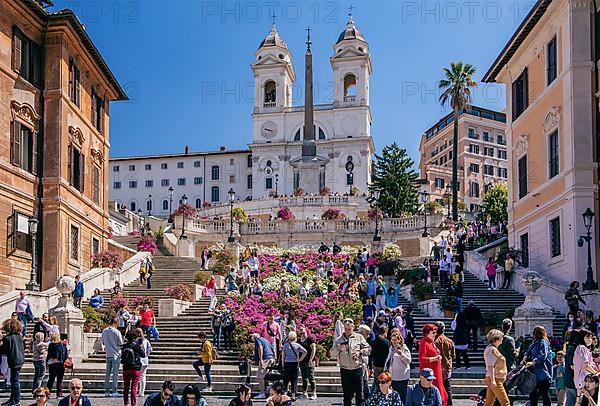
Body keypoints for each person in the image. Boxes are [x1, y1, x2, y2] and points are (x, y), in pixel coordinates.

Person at [330, 318, 371, 406]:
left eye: (349, 329)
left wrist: (359, 352)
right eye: (345, 329)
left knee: (360, 395)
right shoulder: (339, 339)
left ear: (353, 327)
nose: (347, 331)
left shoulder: (359, 337)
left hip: (357, 369)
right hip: (345, 370)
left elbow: (368, 349)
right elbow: (332, 354)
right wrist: (338, 348)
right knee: (347, 395)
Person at [523, 325, 553, 406]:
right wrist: (524, 358)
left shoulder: (543, 342)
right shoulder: (535, 342)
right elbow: (528, 351)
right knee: (533, 395)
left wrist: (533, 362)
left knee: (544, 395)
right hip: (534, 374)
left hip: (543, 374)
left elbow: (542, 355)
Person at [418, 324, 448, 406]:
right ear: (427, 333)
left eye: (435, 332)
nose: (435, 334)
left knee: (441, 392)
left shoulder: (431, 342)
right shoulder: (424, 342)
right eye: (433, 332)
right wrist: (435, 358)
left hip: (437, 371)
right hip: (430, 372)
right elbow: (421, 359)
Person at [1, 318, 24, 406]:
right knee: (14, 380)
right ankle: (12, 399)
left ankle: (16, 400)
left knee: (15, 381)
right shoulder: (19, 336)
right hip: (20, 359)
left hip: (13, 360)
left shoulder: (7, 338)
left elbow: (3, 351)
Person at [483, 329, 510, 406]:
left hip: (496, 378)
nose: (502, 338)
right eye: (501, 337)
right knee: (505, 402)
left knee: (489, 402)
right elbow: (491, 366)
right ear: (497, 338)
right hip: (496, 378)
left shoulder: (492, 349)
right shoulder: (492, 350)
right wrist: (493, 381)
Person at [385, 332, 411, 404]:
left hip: (402, 377)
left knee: (402, 396)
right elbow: (389, 359)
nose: (394, 342)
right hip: (393, 376)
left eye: (395, 340)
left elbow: (408, 360)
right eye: (392, 340)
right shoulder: (391, 348)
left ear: (399, 340)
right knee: (394, 395)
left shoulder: (404, 347)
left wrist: (401, 354)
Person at [121, 330, 146, 406]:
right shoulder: (136, 346)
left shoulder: (124, 346)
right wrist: (141, 347)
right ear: (134, 338)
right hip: (135, 368)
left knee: (126, 387)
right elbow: (143, 355)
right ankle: (133, 404)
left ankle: (126, 403)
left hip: (126, 368)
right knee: (134, 387)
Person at [281, 331, 307, 401]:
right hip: (295, 363)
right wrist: (300, 359)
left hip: (287, 363)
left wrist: (283, 364)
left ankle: (285, 394)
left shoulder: (286, 345)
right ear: (295, 338)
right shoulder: (297, 345)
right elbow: (305, 351)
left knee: (286, 379)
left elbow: (283, 355)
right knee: (294, 380)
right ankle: (293, 395)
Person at [102, 317, 123, 397]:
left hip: (108, 354)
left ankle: (106, 391)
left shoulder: (104, 331)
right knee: (115, 374)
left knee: (107, 374)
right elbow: (120, 342)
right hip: (116, 354)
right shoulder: (116, 332)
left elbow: (103, 342)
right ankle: (114, 391)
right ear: (116, 322)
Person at [434, 322, 455, 406]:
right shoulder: (449, 341)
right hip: (447, 366)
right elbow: (453, 355)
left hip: (437, 367)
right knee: (447, 388)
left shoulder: (434, 341)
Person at [252, 333, 275, 399]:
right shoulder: (266, 340)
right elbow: (272, 348)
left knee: (260, 376)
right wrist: (275, 357)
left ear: (254, 338)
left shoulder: (258, 340)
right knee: (266, 376)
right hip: (271, 358)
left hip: (265, 359)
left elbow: (260, 348)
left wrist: (261, 359)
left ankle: (262, 393)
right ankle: (267, 391)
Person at [370, 325, 391, 395]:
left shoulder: (373, 342)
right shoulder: (387, 342)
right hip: (384, 365)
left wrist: (370, 366)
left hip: (376, 365)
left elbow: (371, 355)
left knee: (377, 382)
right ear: (385, 332)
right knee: (384, 382)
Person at [297, 326, 317, 400]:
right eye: (301, 333)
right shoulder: (299, 341)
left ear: (306, 331)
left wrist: (311, 359)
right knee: (304, 378)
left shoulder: (310, 339)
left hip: (309, 360)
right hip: (302, 361)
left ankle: (314, 392)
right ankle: (304, 392)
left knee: (311, 377)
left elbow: (313, 349)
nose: (302, 334)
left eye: (303, 332)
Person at [46, 333, 68, 398]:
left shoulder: (51, 345)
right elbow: (66, 355)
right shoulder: (63, 345)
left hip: (52, 364)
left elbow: (49, 354)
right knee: (59, 380)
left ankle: (48, 392)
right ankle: (59, 392)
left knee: (51, 379)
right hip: (60, 364)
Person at [136, 328, 152, 400]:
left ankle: (136, 391)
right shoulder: (146, 341)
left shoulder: (135, 341)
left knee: (136, 377)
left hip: (138, 361)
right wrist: (146, 355)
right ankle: (142, 392)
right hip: (145, 360)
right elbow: (149, 350)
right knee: (143, 376)